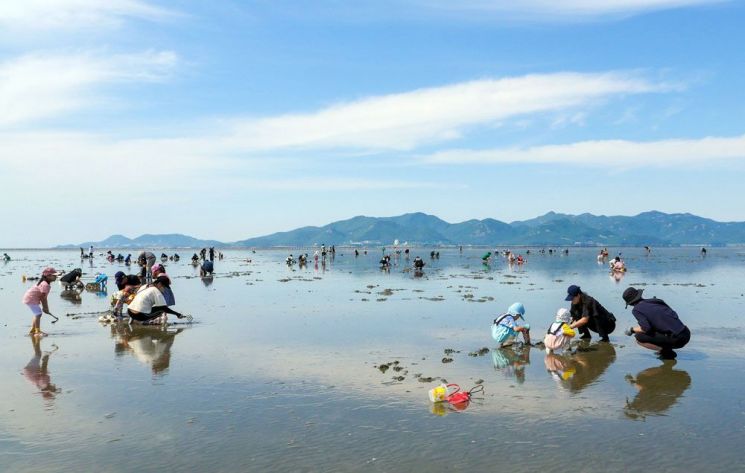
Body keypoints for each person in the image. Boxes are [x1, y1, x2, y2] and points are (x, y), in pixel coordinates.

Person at [622, 287, 691, 359]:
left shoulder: (636, 310)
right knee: (661, 327)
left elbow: (646, 328)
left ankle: (666, 352)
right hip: (686, 333)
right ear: (640, 295)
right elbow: (673, 315)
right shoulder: (656, 301)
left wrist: (632, 329)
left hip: (678, 339)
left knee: (639, 337)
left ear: (630, 303)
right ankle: (667, 350)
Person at [22, 267, 58, 336]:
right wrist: (45, 308)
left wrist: (45, 308)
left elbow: (43, 297)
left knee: (37, 314)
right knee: (38, 314)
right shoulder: (45, 285)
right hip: (31, 298)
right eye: (54, 275)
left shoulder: (44, 283)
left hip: (30, 298)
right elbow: (43, 298)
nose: (56, 277)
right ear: (48, 276)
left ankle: (33, 330)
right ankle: (37, 331)